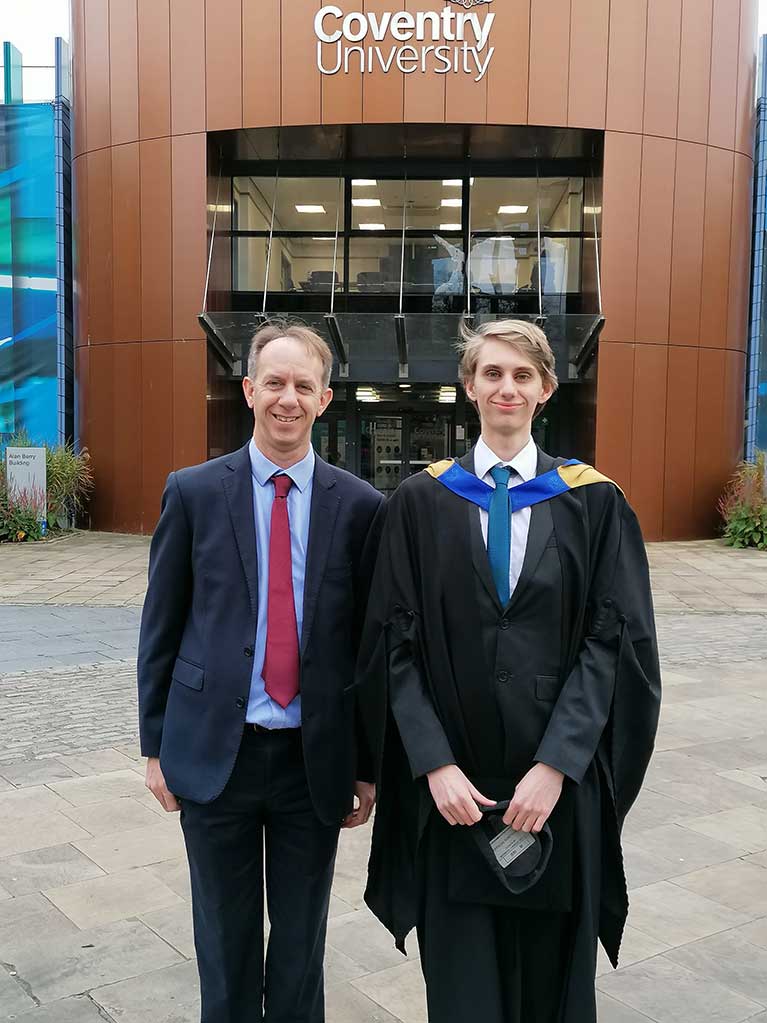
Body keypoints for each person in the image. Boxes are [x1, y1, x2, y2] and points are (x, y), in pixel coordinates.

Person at [358, 319, 661, 1023]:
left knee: (552, 985)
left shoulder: (591, 501)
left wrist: (557, 764)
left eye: (522, 375)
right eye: (492, 373)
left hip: (554, 790)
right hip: (453, 793)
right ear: (469, 386)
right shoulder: (419, 503)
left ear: (545, 390)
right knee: (462, 987)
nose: (506, 387)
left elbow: (610, 641)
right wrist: (431, 763)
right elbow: (389, 646)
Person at [137, 321, 384, 1023]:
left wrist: (367, 765)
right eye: (273, 382)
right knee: (224, 937)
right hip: (217, 753)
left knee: (301, 940)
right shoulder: (191, 493)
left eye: (302, 385)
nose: (287, 398)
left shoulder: (362, 507)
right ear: (248, 390)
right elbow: (160, 628)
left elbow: (367, 650)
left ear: (325, 398)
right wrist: (154, 747)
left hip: (314, 760)